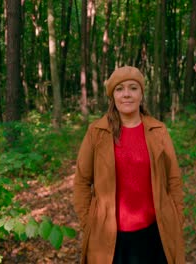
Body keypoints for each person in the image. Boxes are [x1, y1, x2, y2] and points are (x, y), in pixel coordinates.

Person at [73, 66, 185, 264]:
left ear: (141, 94)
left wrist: (177, 218)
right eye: (120, 89)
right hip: (111, 239)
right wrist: (88, 222)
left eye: (133, 88)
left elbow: (173, 179)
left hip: (155, 233)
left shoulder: (158, 131)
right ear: (112, 96)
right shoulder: (97, 132)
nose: (126, 94)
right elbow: (82, 181)